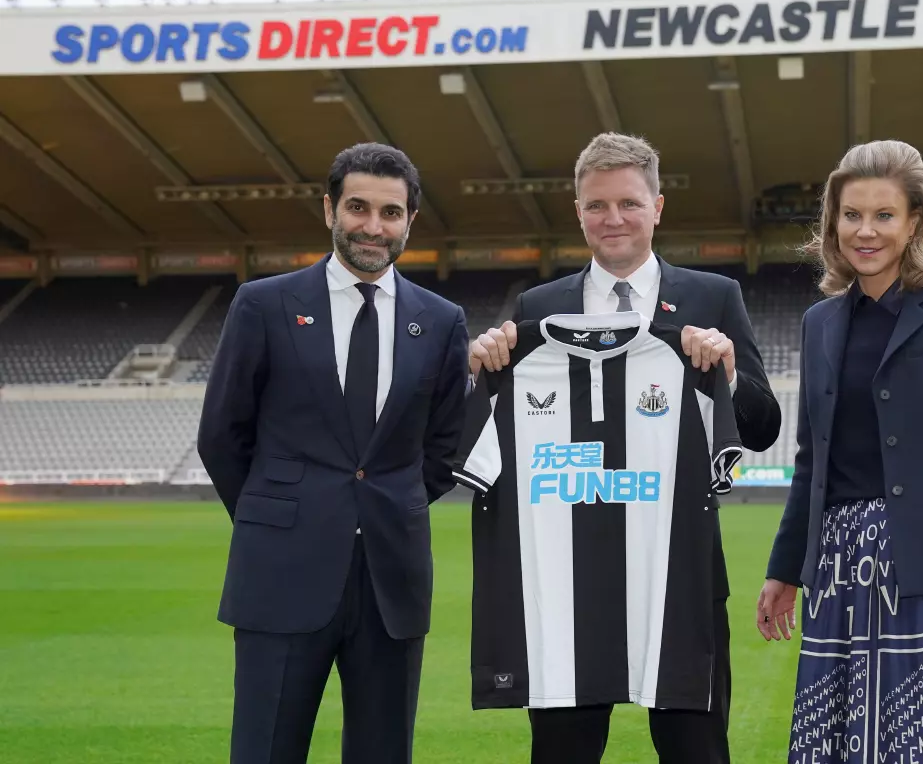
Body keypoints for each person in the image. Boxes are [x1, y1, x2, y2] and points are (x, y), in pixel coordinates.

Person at [470, 132, 782, 764]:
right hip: (565, 581)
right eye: (596, 205)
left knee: (695, 749)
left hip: (678, 575)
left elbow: (762, 427)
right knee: (563, 752)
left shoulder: (712, 297)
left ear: (657, 207)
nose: (612, 219)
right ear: (578, 210)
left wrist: (724, 371)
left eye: (628, 203)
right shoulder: (539, 307)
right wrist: (480, 368)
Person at [197, 142, 469, 764]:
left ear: (410, 222)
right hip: (280, 572)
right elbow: (222, 433)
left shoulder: (442, 319)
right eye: (358, 207)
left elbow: (444, 446)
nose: (373, 227)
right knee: (266, 749)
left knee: (382, 752)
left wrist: (387, 503)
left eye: (391, 213)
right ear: (329, 209)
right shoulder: (264, 305)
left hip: (390, 581)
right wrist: (279, 513)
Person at [756, 139, 923, 763]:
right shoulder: (818, 323)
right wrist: (784, 569)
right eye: (851, 215)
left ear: (916, 223)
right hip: (839, 570)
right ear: (833, 225)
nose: (865, 231)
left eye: (884, 215)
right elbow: (811, 460)